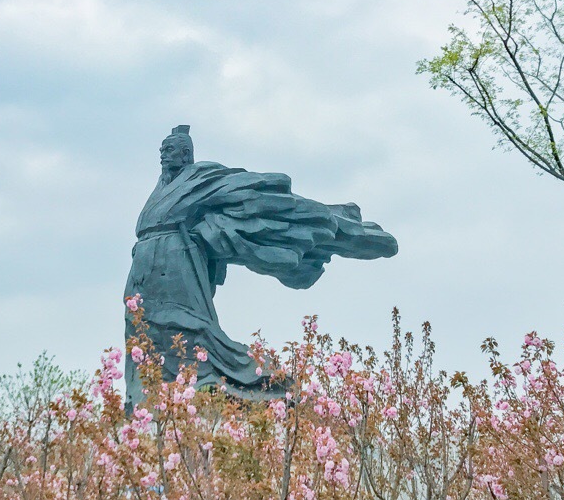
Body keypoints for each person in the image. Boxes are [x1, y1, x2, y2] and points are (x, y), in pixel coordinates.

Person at [124, 125, 397, 406]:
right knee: (141, 330)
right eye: (161, 150)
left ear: (185, 154)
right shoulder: (160, 188)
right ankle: (150, 396)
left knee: (184, 326)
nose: (162, 156)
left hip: (175, 263)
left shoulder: (201, 177)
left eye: (168, 150)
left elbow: (248, 192)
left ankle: (235, 377)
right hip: (144, 267)